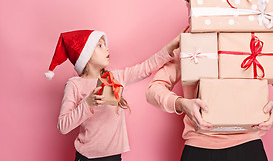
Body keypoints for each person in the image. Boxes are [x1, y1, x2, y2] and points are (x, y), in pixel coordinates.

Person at [146, 47, 273, 161]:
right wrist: (181, 103)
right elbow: (154, 89)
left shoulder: (255, 43)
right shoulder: (191, 44)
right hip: (199, 148)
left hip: (247, 146)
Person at [45, 29, 180, 160]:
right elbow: (63, 126)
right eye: (99, 45)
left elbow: (145, 67)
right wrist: (88, 103)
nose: (107, 48)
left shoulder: (116, 77)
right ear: (86, 54)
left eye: (105, 45)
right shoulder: (74, 84)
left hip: (114, 157)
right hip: (86, 157)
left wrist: (171, 46)